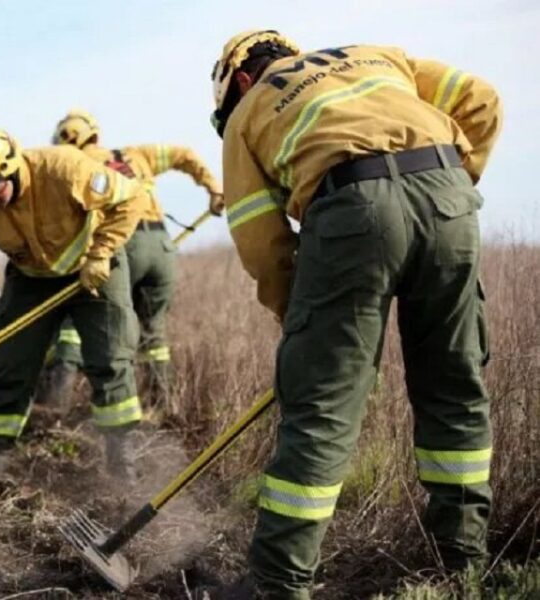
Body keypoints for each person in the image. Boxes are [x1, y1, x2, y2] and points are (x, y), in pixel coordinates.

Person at [208, 30, 501, 598]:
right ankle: (462, 565)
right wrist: (455, 182)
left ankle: (277, 582)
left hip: (351, 209)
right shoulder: (377, 55)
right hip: (448, 199)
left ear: (240, 80)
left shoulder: (248, 109)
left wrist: (301, 324)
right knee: (454, 386)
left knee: (321, 408)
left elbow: (262, 242)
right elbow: (482, 100)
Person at [0, 121, 146, 479]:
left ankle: (123, 468)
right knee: (10, 363)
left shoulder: (65, 168)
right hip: (31, 278)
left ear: (9, 168)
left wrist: (101, 252)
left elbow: (132, 197)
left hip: (92, 268)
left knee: (110, 359)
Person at [47, 109, 223, 404]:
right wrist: (214, 189)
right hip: (161, 248)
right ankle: (165, 403)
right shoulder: (136, 155)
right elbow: (185, 155)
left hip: (123, 246)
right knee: (154, 332)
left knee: (79, 317)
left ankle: (58, 400)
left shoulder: (74, 165)